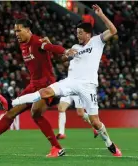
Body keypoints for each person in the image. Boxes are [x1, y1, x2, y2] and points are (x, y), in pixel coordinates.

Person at [11, 5, 122, 157]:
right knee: (45, 91)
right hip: (70, 81)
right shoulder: (75, 46)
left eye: (80, 33)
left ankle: (110, 143)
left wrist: (101, 15)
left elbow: (114, 31)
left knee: (95, 122)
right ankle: (15, 101)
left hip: (88, 86)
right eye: (77, 33)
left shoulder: (97, 41)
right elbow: (62, 60)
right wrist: (57, 50)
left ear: (88, 34)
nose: (78, 36)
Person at [0, 18, 77, 157]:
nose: (16, 33)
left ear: (28, 30)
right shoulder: (22, 44)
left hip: (47, 85)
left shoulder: (37, 41)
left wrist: (66, 51)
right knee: (10, 113)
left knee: (36, 113)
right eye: (15, 31)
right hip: (33, 85)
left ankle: (57, 148)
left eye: (19, 30)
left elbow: (52, 47)